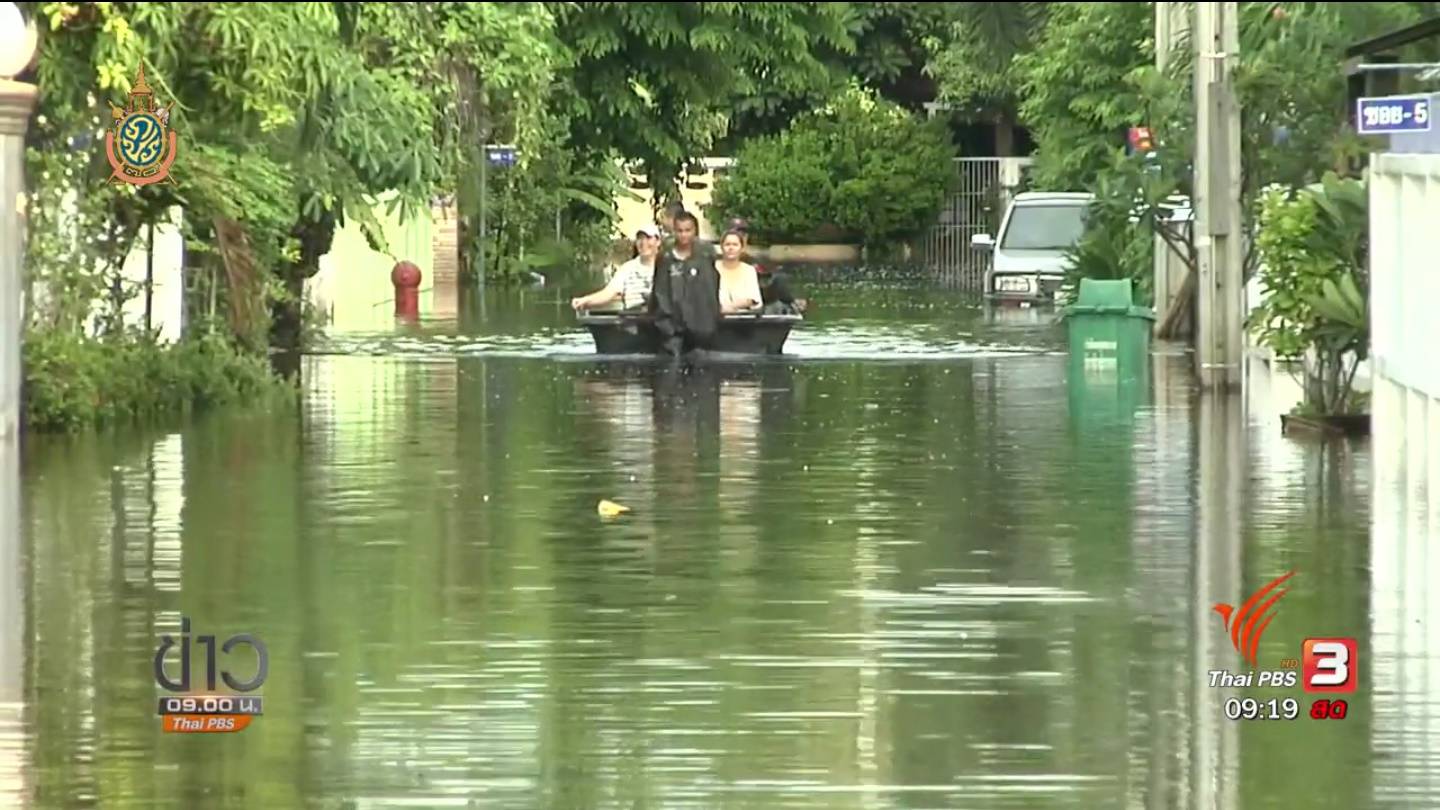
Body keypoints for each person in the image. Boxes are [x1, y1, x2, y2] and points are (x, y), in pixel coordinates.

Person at [650, 210, 721, 357]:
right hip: (672, 333)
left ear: (695, 231)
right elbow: (659, 293)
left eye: (688, 230)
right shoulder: (666, 258)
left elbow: (711, 291)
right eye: (679, 231)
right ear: (674, 231)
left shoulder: (705, 255)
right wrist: (667, 328)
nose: (684, 235)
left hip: (701, 331)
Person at [725, 217, 807, 314]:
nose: (742, 236)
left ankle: (792, 305)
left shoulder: (756, 260)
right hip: (731, 301)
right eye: (737, 233)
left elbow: (768, 284)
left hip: (756, 302)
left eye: (744, 233)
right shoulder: (717, 262)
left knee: (780, 280)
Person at [572, 225, 661, 313]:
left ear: (658, 241)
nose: (643, 243)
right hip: (633, 320)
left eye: (648, 238)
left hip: (661, 321)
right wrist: (585, 300)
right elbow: (608, 293)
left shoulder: (667, 267)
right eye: (640, 239)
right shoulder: (627, 268)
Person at [715, 229, 763, 314]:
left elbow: (755, 300)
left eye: (735, 245)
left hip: (743, 319)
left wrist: (733, 306)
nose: (731, 248)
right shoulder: (712, 268)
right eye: (727, 244)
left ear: (741, 248)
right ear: (721, 247)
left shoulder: (749, 270)